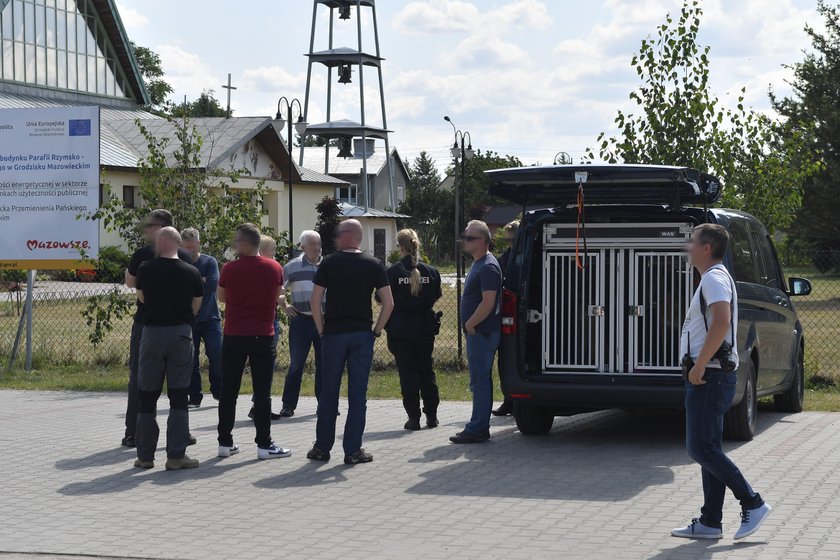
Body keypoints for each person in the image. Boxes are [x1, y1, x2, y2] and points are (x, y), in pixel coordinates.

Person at [671, 223, 771, 540]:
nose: (688, 247)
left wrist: (699, 365)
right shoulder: (714, 277)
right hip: (711, 374)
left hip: (710, 375)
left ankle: (752, 503)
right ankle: (710, 522)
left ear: (706, 248)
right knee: (709, 448)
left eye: (692, 242)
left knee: (700, 448)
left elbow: (722, 322)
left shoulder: (714, 278)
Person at [307, 219, 394, 465]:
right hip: (361, 335)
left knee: (328, 393)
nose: (334, 238)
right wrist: (376, 331)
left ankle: (322, 448)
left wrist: (321, 330)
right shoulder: (374, 264)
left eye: (336, 234)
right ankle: (353, 450)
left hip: (334, 335)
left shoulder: (329, 263)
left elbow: (315, 301)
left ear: (346, 236)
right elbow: (389, 303)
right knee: (358, 394)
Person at [216, 224, 291, 460]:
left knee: (229, 390)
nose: (234, 244)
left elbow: (221, 297)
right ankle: (264, 443)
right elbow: (277, 293)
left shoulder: (229, 268)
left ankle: (225, 442)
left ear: (247, 243)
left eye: (237, 241)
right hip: (262, 334)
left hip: (234, 333)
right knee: (262, 392)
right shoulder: (274, 267)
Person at [122, 209, 194, 448]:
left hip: (147, 324)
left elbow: (131, 283)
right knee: (179, 383)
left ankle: (134, 433)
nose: (146, 230)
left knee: (141, 379)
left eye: (150, 225)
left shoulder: (142, 256)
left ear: (162, 227)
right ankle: (180, 436)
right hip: (179, 327)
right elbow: (195, 295)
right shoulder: (185, 256)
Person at [133, 227, 204, 470]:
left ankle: (145, 456)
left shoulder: (145, 269)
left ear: (159, 244)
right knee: (178, 395)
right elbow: (197, 304)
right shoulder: (192, 272)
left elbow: (141, 297)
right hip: (180, 334)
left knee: (147, 396)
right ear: (178, 245)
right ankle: (175, 455)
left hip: (151, 334)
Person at [450, 220, 502, 444]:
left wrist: (470, 324)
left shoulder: (488, 266)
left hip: (481, 332)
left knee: (479, 381)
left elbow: (488, 302)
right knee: (479, 380)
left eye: (469, 238)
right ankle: (479, 425)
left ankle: (478, 427)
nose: (465, 241)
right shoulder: (480, 263)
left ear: (482, 241)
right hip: (478, 332)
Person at [385, 229, 442, 430]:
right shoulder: (431, 271)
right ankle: (432, 416)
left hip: (400, 327)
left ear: (400, 246)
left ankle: (413, 418)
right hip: (424, 326)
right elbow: (436, 295)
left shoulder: (392, 272)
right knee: (426, 370)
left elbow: (382, 299)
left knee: (407, 373)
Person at [277, 230, 325, 418]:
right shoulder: (292, 267)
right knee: (296, 365)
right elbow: (279, 289)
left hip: (324, 322)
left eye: (318, 244)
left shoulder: (327, 266)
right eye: (312, 244)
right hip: (301, 322)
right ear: (303, 247)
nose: (317, 248)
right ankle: (288, 405)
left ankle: (325, 403)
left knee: (325, 365)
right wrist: (284, 306)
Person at [180, 228, 222, 407]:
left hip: (211, 318)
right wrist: (200, 280)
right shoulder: (179, 262)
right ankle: (194, 395)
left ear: (199, 243)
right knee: (191, 357)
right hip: (189, 319)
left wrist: (193, 283)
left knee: (216, 354)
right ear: (181, 246)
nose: (190, 251)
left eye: (193, 246)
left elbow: (212, 284)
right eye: (186, 247)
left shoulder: (209, 261)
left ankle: (219, 391)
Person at [247, 235, 283, 421]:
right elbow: (276, 296)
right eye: (273, 250)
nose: (275, 254)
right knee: (265, 368)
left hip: (259, 323)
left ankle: (258, 405)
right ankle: (259, 407)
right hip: (266, 324)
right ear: (262, 250)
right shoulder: (270, 269)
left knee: (263, 368)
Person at [492, 219, 519, 417]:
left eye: (512, 240)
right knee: (506, 359)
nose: (509, 244)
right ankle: (509, 400)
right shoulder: (505, 258)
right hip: (509, 315)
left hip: (519, 313)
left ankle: (514, 400)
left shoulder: (523, 256)